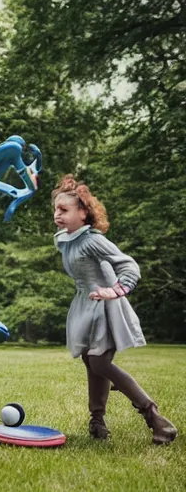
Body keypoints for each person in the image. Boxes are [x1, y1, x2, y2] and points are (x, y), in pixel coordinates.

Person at [51, 176, 175, 445]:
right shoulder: (63, 239)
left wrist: (115, 290)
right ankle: (97, 422)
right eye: (56, 209)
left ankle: (156, 419)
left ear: (83, 213)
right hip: (86, 304)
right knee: (90, 361)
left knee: (100, 362)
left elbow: (128, 265)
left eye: (64, 210)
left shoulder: (93, 239)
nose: (57, 215)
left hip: (107, 305)